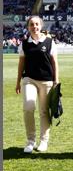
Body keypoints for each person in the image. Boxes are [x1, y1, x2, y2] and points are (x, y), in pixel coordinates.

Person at [16, 16, 59, 153]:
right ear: (28, 27)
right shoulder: (24, 44)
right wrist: (18, 82)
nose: (34, 27)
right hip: (29, 79)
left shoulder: (49, 42)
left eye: (37, 24)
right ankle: (30, 141)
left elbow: (54, 63)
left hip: (47, 81)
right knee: (29, 106)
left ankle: (44, 141)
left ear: (41, 26)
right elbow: (21, 64)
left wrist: (56, 81)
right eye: (31, 24)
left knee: (44, 111)